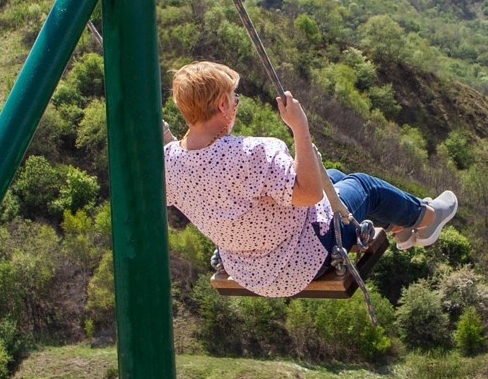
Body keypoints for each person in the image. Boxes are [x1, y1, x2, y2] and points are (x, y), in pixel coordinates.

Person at [163, 61, 457, 298]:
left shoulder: (171, 164)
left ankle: (399, 227)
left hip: (249, 270)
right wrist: (299, 129)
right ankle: (425, 219)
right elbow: (309, 193)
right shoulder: (252, 153)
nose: (236, 104)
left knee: (336, 178)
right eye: (233, 98)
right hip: (301, 259)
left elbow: (193, 173)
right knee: (365, 187)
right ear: (222, 106)